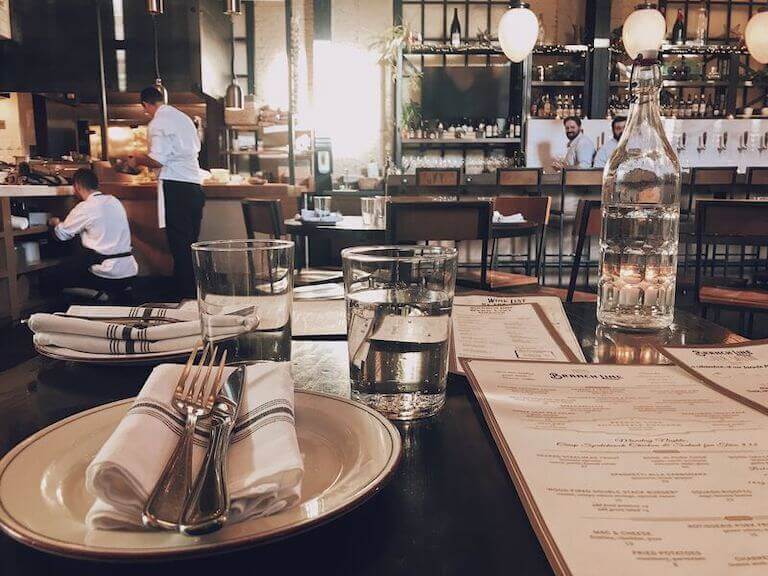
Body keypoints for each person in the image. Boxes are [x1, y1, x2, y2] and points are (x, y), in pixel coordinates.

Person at [122, 86, 204, 299]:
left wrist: (137, 158)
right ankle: (190, 294)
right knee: (191, 244)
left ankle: (185, 297)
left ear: (146, 105)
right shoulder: (183, 118)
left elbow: (158, 158)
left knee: (180, 246)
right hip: (195, 187)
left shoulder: (158, 122)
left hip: (176, 187)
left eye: (145, 109)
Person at [49, 168, 138, 291]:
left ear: (77, 186)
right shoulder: (114, 201)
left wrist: (56, 223)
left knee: (53, 277)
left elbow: (61, 235)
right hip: (129, 270)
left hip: (106, 274)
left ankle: (97, 295)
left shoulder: (85, 207)